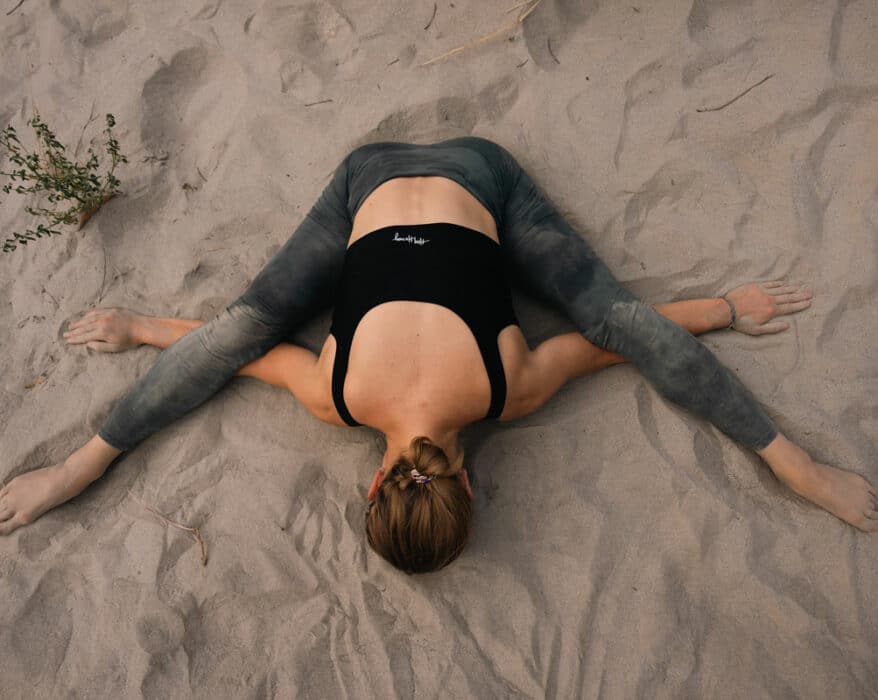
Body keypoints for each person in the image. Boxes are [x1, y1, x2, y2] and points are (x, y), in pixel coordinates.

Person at [1, 138, 874, 573]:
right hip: (369, 177)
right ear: (376, 486)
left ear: (470, 486)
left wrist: (724, 310)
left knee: (616, 320)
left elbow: (626, 341)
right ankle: (76, 472)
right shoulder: (335, 397)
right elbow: (228, 355)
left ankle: (798, 470)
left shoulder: (510, 390)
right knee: (243, 327)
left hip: (477, 174)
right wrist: (138, 332)